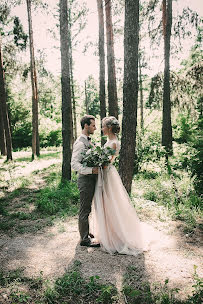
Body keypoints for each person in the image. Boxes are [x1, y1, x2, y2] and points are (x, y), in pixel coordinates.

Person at [92, 116, 144, 256]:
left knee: (111, 204)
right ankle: (106, 234)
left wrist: (96, 162)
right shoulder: (109, 141)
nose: (101, 129)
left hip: (108, 175)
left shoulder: (114, 142)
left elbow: (107, 162)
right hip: (104, 174)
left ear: (108, 128)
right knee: (104, 203)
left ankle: (115, 236)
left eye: (103, 126)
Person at [71, 115, 100, 247]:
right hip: (85, 180)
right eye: (93, 125)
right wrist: (90, 170)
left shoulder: (89, 142)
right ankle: (84, 239)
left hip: (91, 180)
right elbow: (74, 164)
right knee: (84, 209)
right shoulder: (80, 143)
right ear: (86, 126)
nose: (95, 128)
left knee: (88, 208)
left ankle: (86, 232)